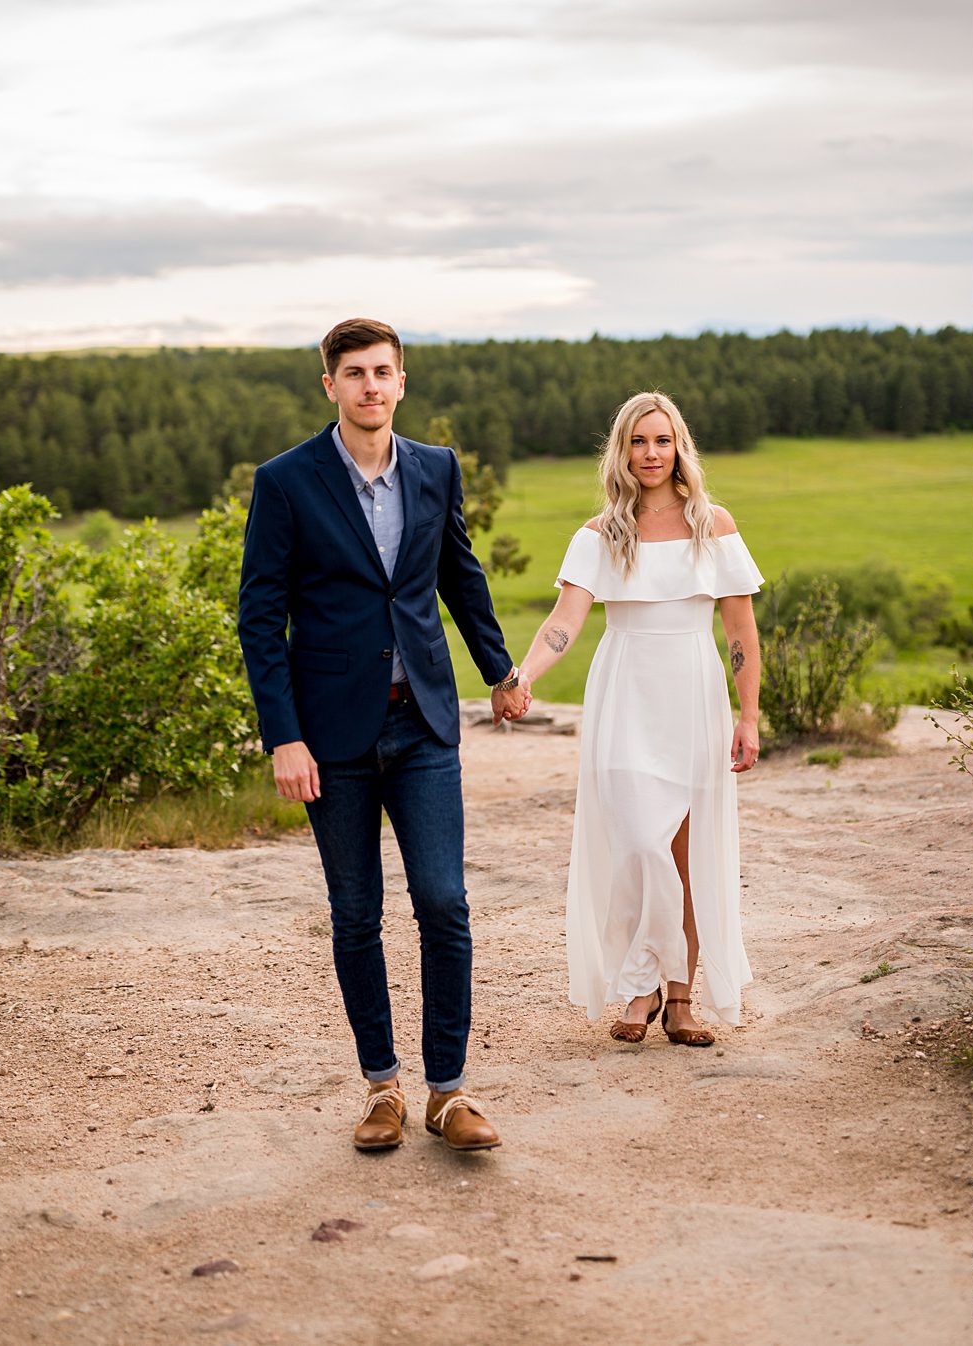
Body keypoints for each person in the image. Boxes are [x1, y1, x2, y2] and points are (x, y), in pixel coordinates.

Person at [237, 317, 524, 1154]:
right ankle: (381, 1089)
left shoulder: (435, 469)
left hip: (425, 722)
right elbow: (261, 618)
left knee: (444, 902)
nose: (370, 385)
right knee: (356, 913)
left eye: (383, 372)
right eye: (354, 373)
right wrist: (283, 737)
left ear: (402, 383)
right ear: (330, 385)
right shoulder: (287, 481)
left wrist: (498, 673)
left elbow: (458, 576)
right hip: (331, 738)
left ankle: (448, 1092)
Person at [509, 391, 763, 1048]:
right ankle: (640, 983)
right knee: (637, 848)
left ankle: (678, 999)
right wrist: (524, 675)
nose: (651, 454)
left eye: (662, 441)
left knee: (684, 853)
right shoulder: (598, 535)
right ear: (620, 451)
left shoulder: (716, 526)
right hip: (623, 693)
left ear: (680, 448)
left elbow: (740, 630)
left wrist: (749, 716)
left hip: (692, 690)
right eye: (638, 442)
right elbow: (565, 622)